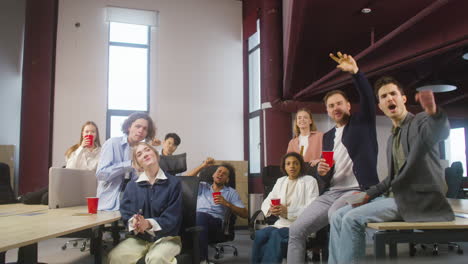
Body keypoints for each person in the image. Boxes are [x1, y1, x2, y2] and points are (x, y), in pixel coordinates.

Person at [328, 75, 455, 264]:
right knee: (338, 215)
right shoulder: (391, 138)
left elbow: (439, 130)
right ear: (380, 105)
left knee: (351, 219)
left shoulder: (420, 122)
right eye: (384, 96)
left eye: (393, 94)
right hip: (396, 198)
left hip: (420, 202)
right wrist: (367, 195)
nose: (389, 98)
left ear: (403, 99)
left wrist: (434, 112)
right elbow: (391, 179)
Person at [287, 52, 380, 263]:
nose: (335, 108)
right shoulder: (328, 137)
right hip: (331, 192)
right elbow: (328, 172)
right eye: (331, 106)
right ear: (328, 112)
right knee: (296, 230)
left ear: (348, 106)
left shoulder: (362, 124)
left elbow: (366, 97)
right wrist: (323, 172)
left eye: (339, 103)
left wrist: (356, 73)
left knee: (334, 215)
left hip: (358, 189)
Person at [107, 142, 182, 264]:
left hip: (167, 238)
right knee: (115, 257)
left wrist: (147, 223)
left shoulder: (174, 183)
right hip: (140, 239)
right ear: (138, 164)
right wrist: (134, 222)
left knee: (156, 259)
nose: (145, 154)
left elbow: (173, 217)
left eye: (147, 150)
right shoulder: (131, 186)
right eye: (139, 154)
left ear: (156, 154)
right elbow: (126, 213)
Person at [251, 152, 319, 264]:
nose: (292, 166)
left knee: (275, 235)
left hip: (300, 225)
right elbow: (267, 201)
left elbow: (312, 208)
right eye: (288, 164)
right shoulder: (281, 181)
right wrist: (270, 209)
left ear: (301, 165)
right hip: (281, 224)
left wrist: (288, 211)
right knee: (260, 234)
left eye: (295, 163)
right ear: (284, 167)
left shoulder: (309, 181)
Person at [96, 112, 156, 211]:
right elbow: (101, 174)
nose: (141, 130)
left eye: (145, 129)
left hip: (133, 197)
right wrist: (129, 165)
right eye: (138, 126)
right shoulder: (112, 143)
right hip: (112, 199)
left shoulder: (142, 151)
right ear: (129, 127)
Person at [195, 163, 248, 264]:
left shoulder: (231, 192)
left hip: (216, 223)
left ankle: (202, 260)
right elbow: (185, 180)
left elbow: (245, 214)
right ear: (213, 175)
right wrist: (202, 166)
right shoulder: (202, 186)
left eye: (224, 174)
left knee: (200, 216)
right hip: (197, 219)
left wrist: (227, 203)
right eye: (219, 171)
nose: (220, 174)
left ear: (227, 179)